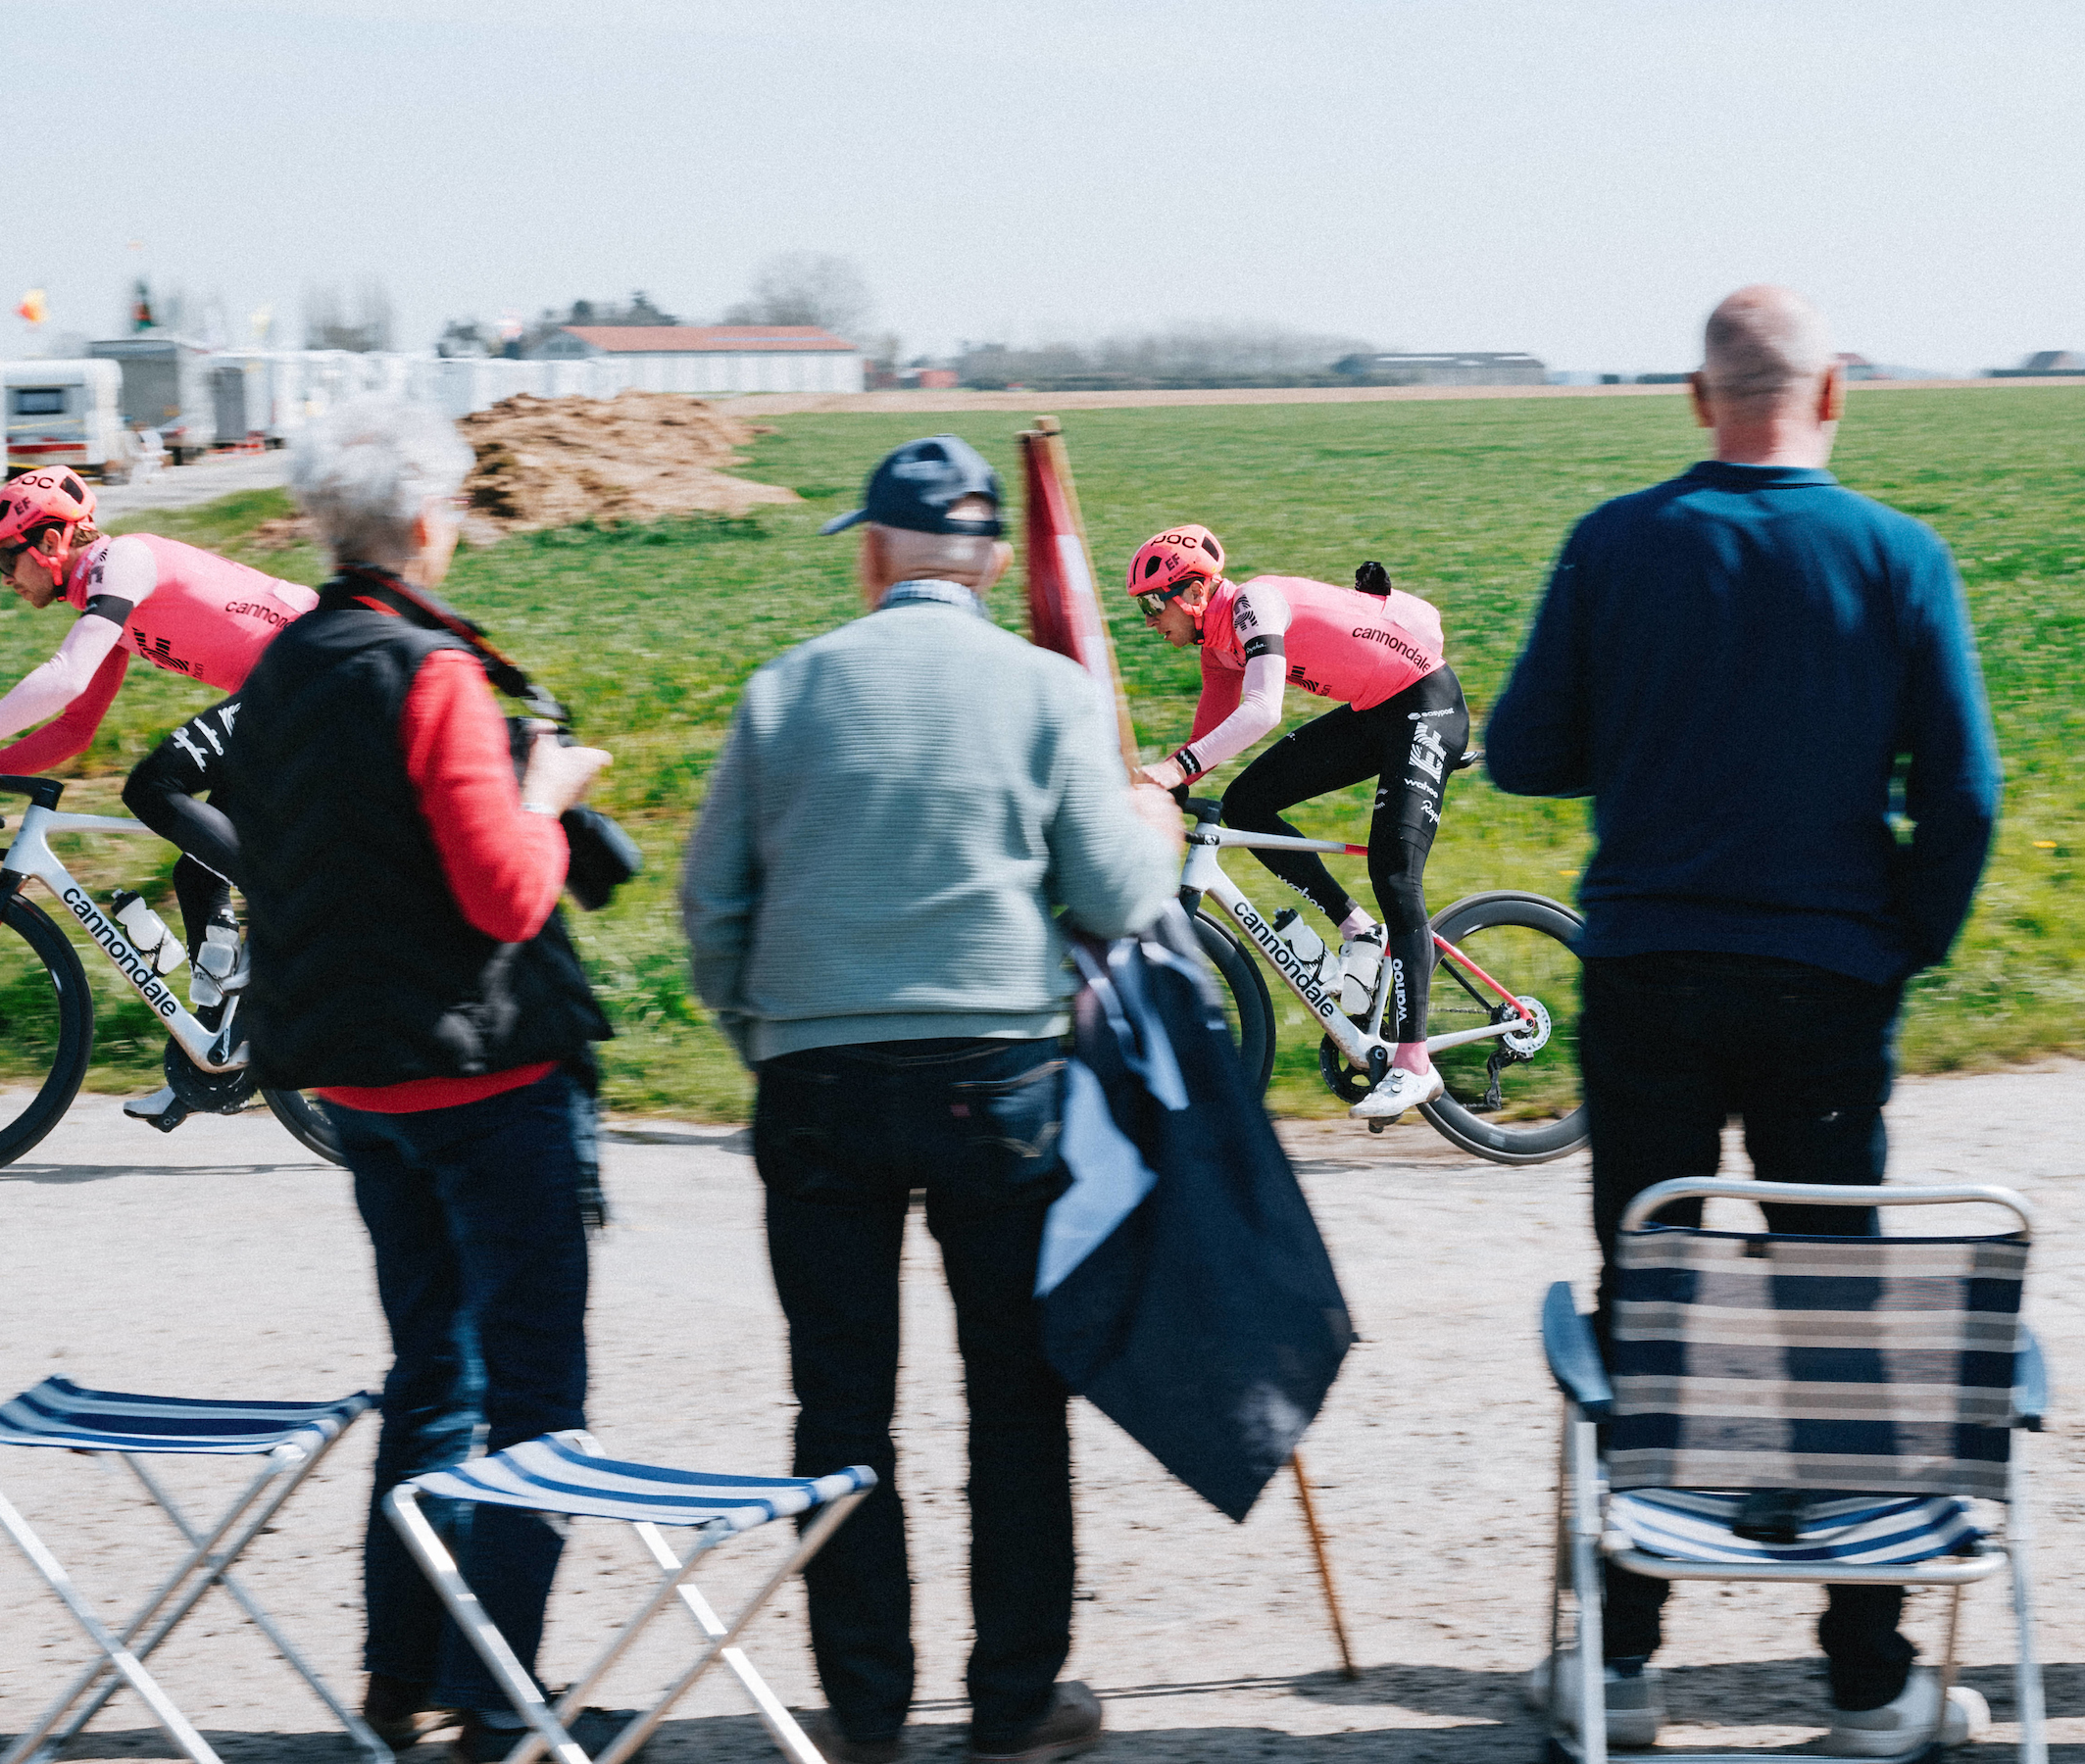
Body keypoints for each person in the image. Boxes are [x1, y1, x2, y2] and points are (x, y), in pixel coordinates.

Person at [1485, 285, 2001, 1756]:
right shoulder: (1901, 558)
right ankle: (1862, 1678)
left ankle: (1625, 1665)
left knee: (1649, 1293)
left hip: (1650, 972)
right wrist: (1900, 943)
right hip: (1829, 986)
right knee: (1836, 1313)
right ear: (1831, 391)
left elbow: (1525, 752)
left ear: (1698, 400)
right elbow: (1963, 794)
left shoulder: (1617, 545)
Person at [682, 436, 1183, 1764]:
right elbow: (1119, 898)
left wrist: (767, 1035)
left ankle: (863, 1708)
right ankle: (1015, 1701)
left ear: (873, 552)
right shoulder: (1048, 691)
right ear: (991, 564)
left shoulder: (783, 690)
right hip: (1000, 1083)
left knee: (839, 1402)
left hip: (816, 1080)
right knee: (1016, 1395)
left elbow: (712, 906)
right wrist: (1161, 829)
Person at [227, 397, 616, 1764]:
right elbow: (507, 894)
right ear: (427, 525)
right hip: (486, 1079)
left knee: (426, 1378)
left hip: (357, 1084)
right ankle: (502, 1688)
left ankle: (404, 1679)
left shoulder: (278, 672)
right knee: (532, 1392)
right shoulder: (432, 673)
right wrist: (551, 794)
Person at [0, 466, 320, 1123]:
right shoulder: (107, 603)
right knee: (198, 870)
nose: (4, 578)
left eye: (6, 558)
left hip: (308, 676)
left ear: (51, 541)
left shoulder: (121, 560)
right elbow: (74, 726)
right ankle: (210, 1059)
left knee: (153, 786)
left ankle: (294, 919)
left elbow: (65, 677)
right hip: (291, 687)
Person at [1127, 529, 1464, 1119]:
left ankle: (1415, 1064)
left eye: (1154, 604)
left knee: (1394, 871)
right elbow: (1207, 741)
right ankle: (1357, 929)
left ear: (1197, 590)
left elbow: (1263, 710)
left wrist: (1174, 769)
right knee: (1247, 802)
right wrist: (1164, 787)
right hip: (1374, 711)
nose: (1150, 620)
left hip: (1426, 705)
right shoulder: (1216, 647)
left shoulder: (1255, 604)